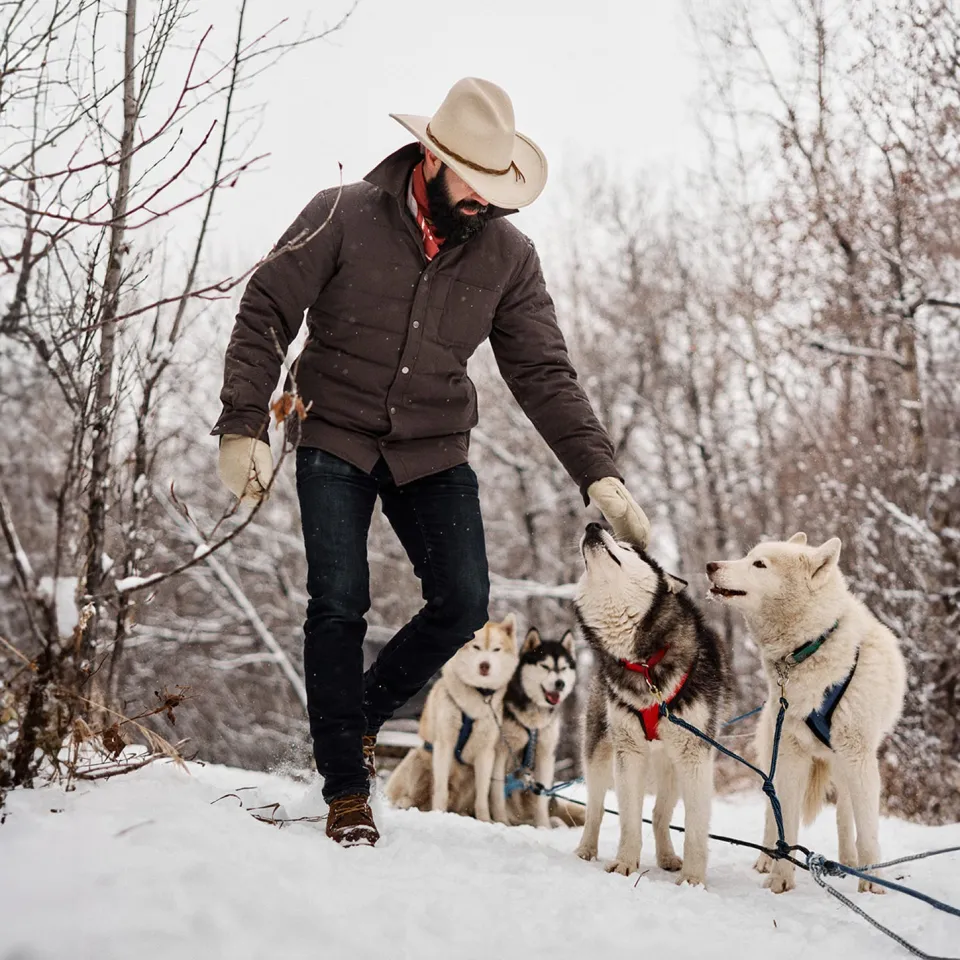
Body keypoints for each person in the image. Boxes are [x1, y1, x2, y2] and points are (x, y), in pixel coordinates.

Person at [212, 78, 650, 847]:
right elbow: (266, 308)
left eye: (497, 189)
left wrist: (598, 471)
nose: (486, 202)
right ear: (432, 159)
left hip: (433, 447)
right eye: (474, 186)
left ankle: (349, 726)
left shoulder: (509, 257)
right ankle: (347, 787)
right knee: (339, 599)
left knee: (463, 599)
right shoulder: (341, 214)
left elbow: (544, 371)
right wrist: (242, 422)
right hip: (333, 432)